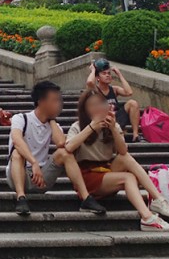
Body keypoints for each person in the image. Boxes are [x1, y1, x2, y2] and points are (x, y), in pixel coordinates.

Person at [64, 90, 169, 231]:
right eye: (93, 105)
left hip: (106, 171)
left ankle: (158, 199)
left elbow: (123, 152)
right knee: (127, 177)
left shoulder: (113, 125)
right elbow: (68, 148)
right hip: (86, 177)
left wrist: (113, 129)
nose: (98, 108)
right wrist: (92, 127)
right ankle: (147, 217)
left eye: (101, 103)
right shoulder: (78, 126)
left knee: (126, 158)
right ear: (85, 110)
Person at [7, 81, 107, 217]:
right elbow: (17, 141)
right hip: (19, 175)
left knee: (65, 153)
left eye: (59, 100)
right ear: (41, 102)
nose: (59, 104)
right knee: (17, 153)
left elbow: (61, 143)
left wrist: (51, 119)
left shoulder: (54, 125)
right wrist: (34, 162)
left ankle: (86, 199)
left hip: (42, 178)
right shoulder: (20, 118)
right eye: (55, 100)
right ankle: (21, 198)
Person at [86, 59, 142, 142]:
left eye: (109, 73)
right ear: (97, 77)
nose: (107, 75)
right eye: (104, 74)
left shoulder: (114, 89)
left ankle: (135, 135)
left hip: (117, 118)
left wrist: (119, 74)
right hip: (103, 119)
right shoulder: (96, 90)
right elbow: (90, 82)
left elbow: (129, 92)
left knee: (133, 103)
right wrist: (93, 70)